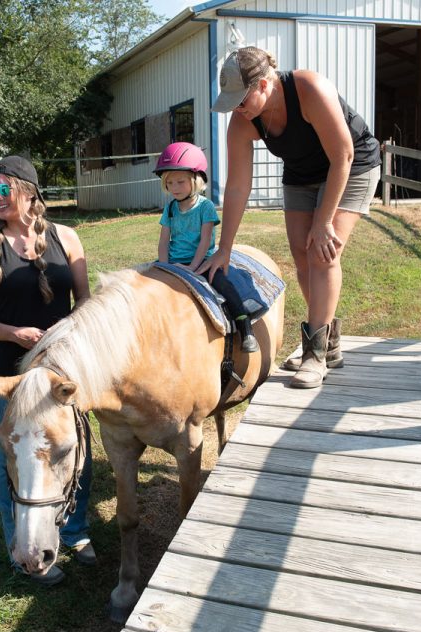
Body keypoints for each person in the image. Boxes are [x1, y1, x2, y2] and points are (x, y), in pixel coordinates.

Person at [199, 46, 381, 389]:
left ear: (264, 85)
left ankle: (315, 354)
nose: (237, 109)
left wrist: (324, 221)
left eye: (241, 99)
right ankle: (329, 343)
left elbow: (343, 155)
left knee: (321, 252)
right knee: (301, 254)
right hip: (302, 173)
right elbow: (237, 187)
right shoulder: (243, 122)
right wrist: (224, 248)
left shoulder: (309, 88)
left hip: (351, 166)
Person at [0, 155, 94, 585]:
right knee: (12, 460)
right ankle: (21, 547)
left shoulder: (67, 238)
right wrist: (12, 333)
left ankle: (74, 531)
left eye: (3, 189)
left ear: (28, 190)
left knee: (73, 449)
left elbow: (86, 304)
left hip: (62, 372)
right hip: (8, 373)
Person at [154, 142, 258, 353]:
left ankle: (244, 325)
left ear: (196, 180)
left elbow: (205, 239)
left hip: (201, 260)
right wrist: (164, 266)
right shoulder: (171, 208)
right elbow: (164, 240)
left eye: (180, 182)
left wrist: (193, 268)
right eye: (170, 183)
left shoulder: (205, 207)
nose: (174, 188)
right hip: (174, 261)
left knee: (223, 283)